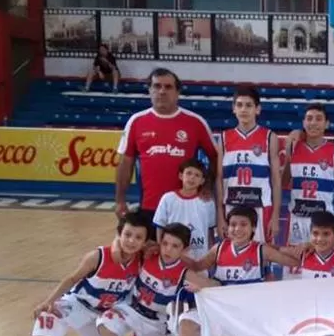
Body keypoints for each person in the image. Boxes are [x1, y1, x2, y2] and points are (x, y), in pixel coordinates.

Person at [163, 205, 301, 336]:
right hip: (217, 310)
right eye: (233, 224)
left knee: (271, 334)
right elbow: (198, 266)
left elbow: (294, 262)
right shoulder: (218, 249)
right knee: (186, 321)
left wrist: (302, 249)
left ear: (254, 227)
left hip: (248, 313)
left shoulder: (260, 250)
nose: (237, 229)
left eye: (243, 224)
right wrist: (175, 253)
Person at [18, 212, 148, 336]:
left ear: (145, 242)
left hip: (104, 315)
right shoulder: (98, 256)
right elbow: (71, 279)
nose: (131, 241)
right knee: (47, 316)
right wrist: (49, 301)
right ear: (119, 234)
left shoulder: (142, 259)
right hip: (79, 305)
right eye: (128, 235)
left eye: (138, 237)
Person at [96, 223, 202, 336]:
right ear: (159, 242)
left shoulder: (185, 273)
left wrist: (200, 288)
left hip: (156, 322)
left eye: (175, 246)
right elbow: (122, 242)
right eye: (165, 243)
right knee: (104, 321)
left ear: (185, 249)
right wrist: (117, 244)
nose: (168, 249)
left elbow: (215, 285)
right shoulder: (146, 254)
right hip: (132, 310)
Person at [114, 68, 219, 226]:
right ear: (149, 90)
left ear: (177, 92)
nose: (162, 91)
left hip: (187, 206)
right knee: (151, 250)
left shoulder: (195, 122)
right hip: (149, 206)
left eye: (168, 87)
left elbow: (215, 156)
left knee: (187, 251)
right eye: (157, 86)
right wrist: (120, 200)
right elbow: (125, 164)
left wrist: (208, 185)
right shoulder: (136, 122)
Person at [282, 104, 334, 277]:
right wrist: (288, 156)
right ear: (303, 122)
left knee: (326, 274)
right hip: (297, 219)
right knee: (293, 275)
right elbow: (283, 182)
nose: (313, 123)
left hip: (324, 223)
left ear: (327, 124)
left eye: (319, 119)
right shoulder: (293, 147)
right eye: (309, 118)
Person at [218, 86, 281, 244]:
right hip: (231, 207)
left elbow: (276, 180)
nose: (243, 109)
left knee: (262, 257)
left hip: (261, 207)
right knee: (232, 257)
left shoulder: (269, 137)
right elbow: (218, 179)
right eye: (239, 105)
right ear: (233, 109)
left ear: (257, 109)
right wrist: (219, 216)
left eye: (248, 105)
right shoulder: (224, 138)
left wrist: (275, 215)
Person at [153, 158, 216, 261]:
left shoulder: (208, 202)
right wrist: (162, 249)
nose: (192, 177)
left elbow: (210, 231)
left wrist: (210, 256)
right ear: (181, 176)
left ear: (202, 181)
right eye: (189, 173)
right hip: (172, 255)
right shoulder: (168, 198)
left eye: (197, 175)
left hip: (199, 257)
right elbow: (160, 227)